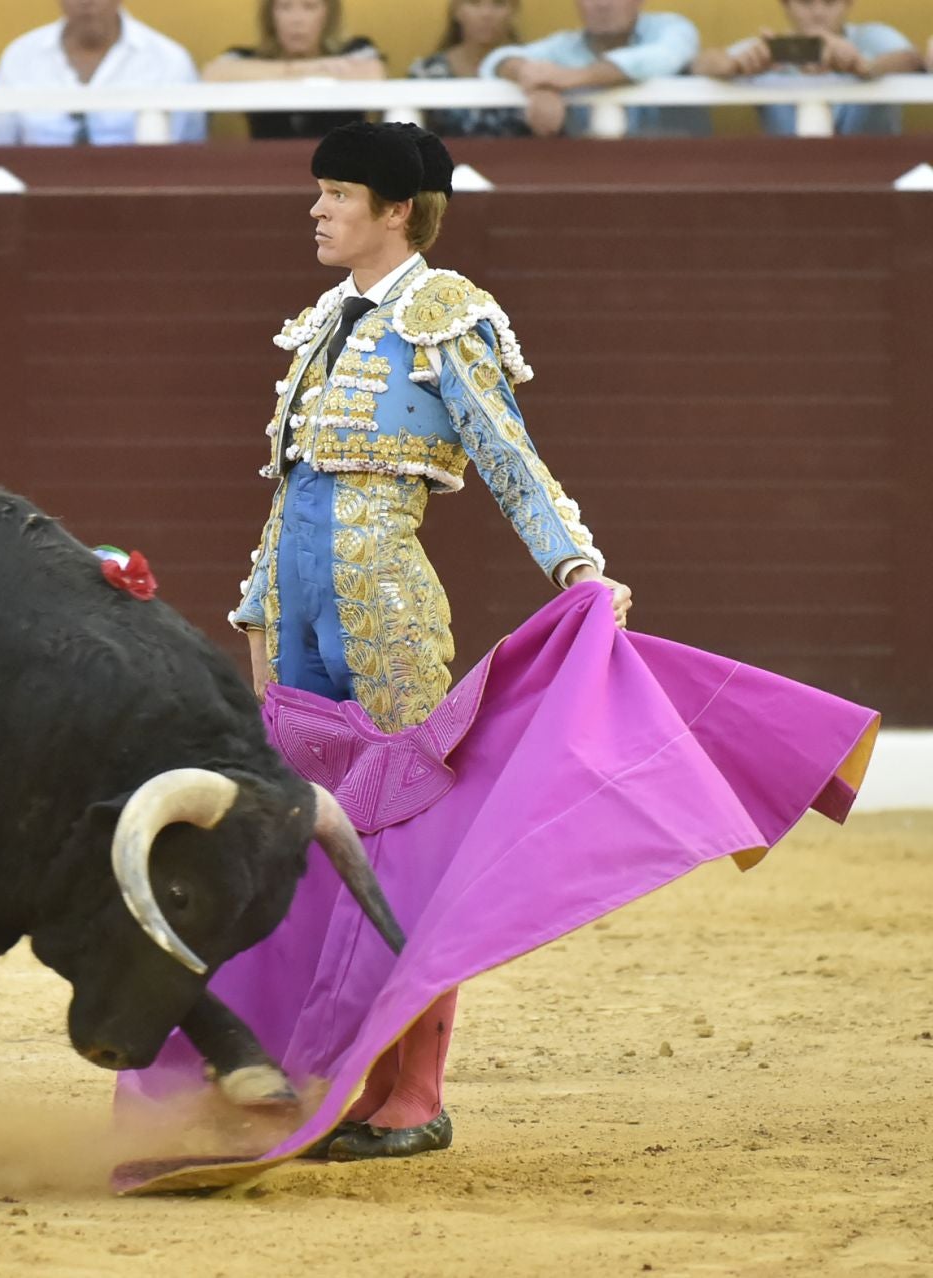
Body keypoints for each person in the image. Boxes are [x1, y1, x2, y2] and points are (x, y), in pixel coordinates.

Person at [227, 122, 630, 1158]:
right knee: (318, 849)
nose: (317, 210)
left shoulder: (447, 315)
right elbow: (291, 491)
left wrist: (577, 568)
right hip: (306, 608)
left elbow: (509, 456)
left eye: (337, 195)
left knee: (402, 850)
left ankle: (418, 1095)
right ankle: (352, 1082)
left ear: (396, 210)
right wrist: (260, 619)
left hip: (384, 606)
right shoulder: (326, 319)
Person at [0, 0, 205, 146]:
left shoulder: (168, 60)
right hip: (35, 202)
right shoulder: (20, 57)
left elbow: (189, 157)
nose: (86, 2)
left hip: (137, 207)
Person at [691, 0, 921, 136]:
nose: (819, 12)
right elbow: (702, 63)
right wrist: (735, 66)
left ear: (847, 4)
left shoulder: (871, 37)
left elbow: (911, 59)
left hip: (877, 174)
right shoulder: (766, 52)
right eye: (806, 1)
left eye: (830, 1)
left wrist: (864, 66)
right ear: (787, 5)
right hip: (787, 178)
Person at [482, 0, 707, 137]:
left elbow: (663, 57)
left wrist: (571, 77)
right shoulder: (564, 46)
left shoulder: (670, 28)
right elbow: (497, 60)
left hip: (675, 169)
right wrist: (534, 81)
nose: (603, 4)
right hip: (585, 174)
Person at [202, 0, 385, 140]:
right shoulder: (245, 57)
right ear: (270, 16)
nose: (296, 20)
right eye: (285, 7)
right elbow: (213, 74)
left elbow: (372, 73)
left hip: (343, 170)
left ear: (329, 15)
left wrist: (278, 74)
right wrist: (306, 67)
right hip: (269, 169)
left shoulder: (356, 49)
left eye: (309, 6)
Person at [408, 0, 532, 136]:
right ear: (456, 11)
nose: (486, 14)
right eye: (474, 3)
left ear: (513, 11)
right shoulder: (426, 73)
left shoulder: (534, 71)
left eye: (499, 3)